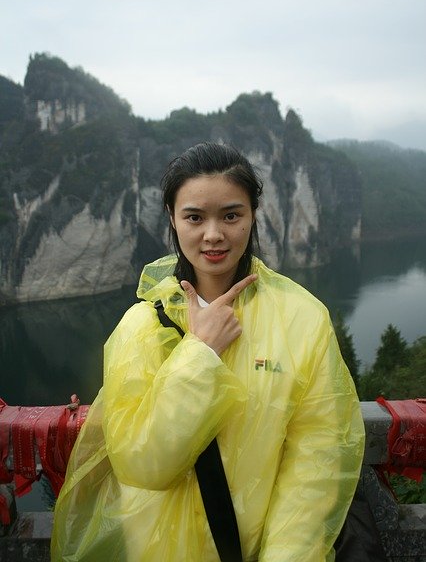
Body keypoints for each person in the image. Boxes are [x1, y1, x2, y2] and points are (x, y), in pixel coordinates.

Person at [51, 142, 365, 562]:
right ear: (172, 219)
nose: (213, 234)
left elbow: (317, 457)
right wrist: (200, 353)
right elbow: (143, 464)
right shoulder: (142, 327)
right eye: (195, 217)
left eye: (231, 215)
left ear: (254, 215)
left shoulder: (302, 319)